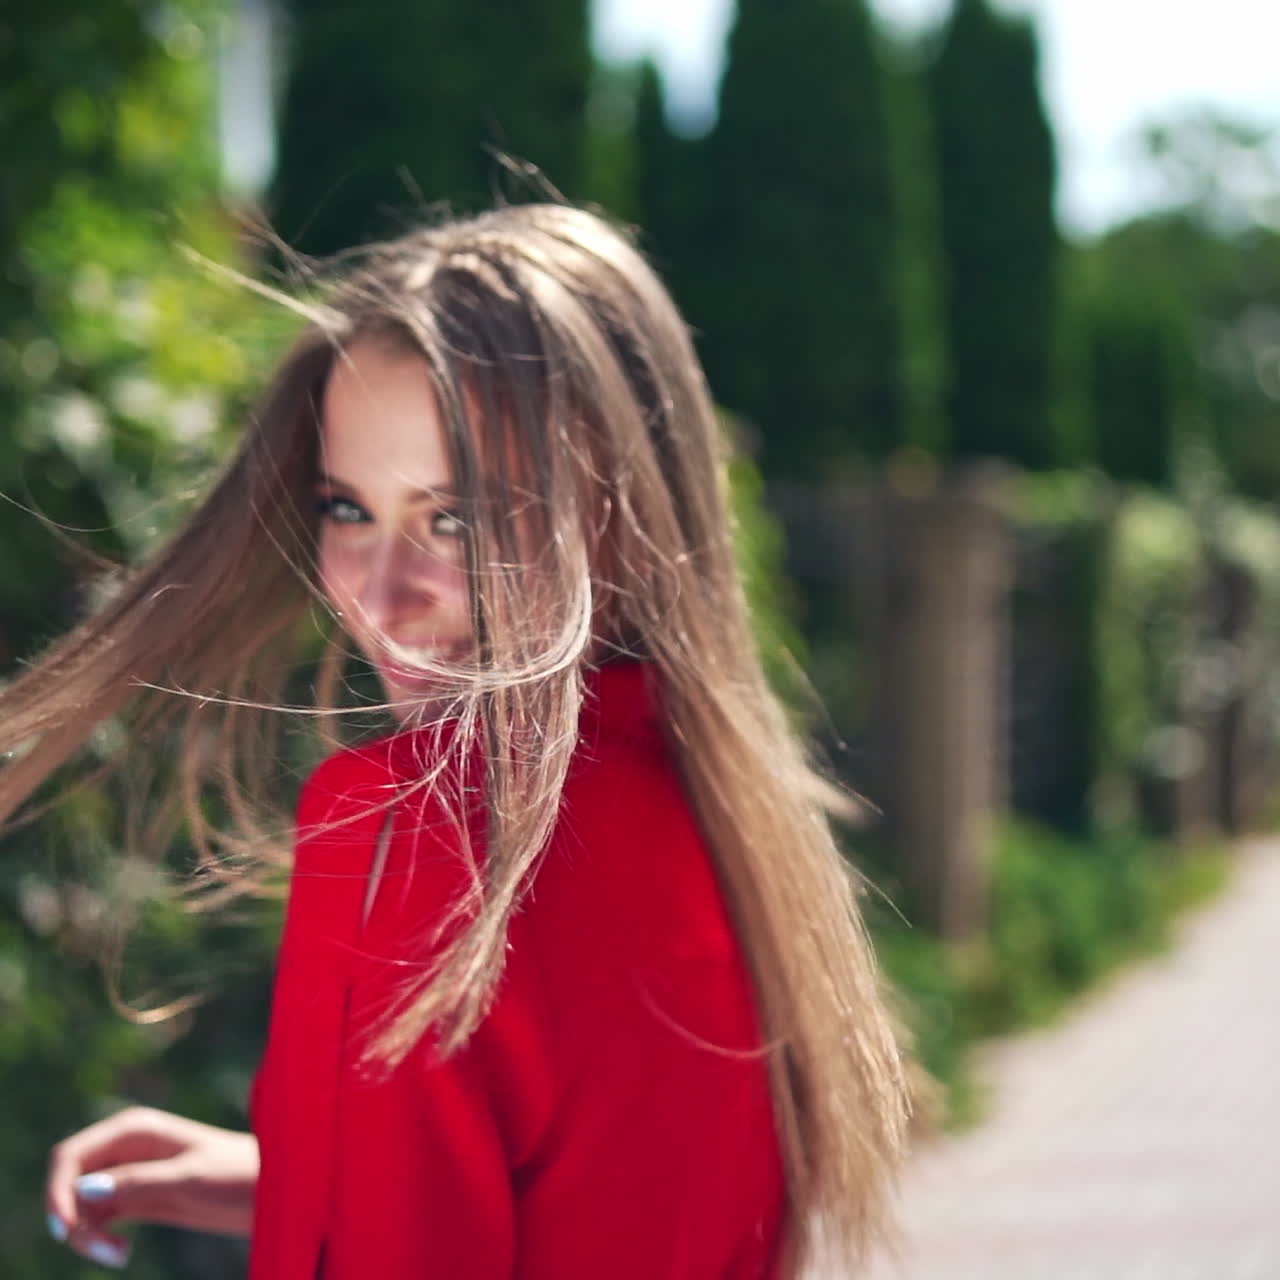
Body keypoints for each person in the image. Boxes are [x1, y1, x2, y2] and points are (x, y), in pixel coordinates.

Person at [12, 203, 910, 1276]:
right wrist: (294, 1177)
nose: (382, 594)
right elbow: (591, 1187)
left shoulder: (410, 832)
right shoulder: (734, 831)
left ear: (617, 509)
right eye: (346, 507)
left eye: (458, 518)